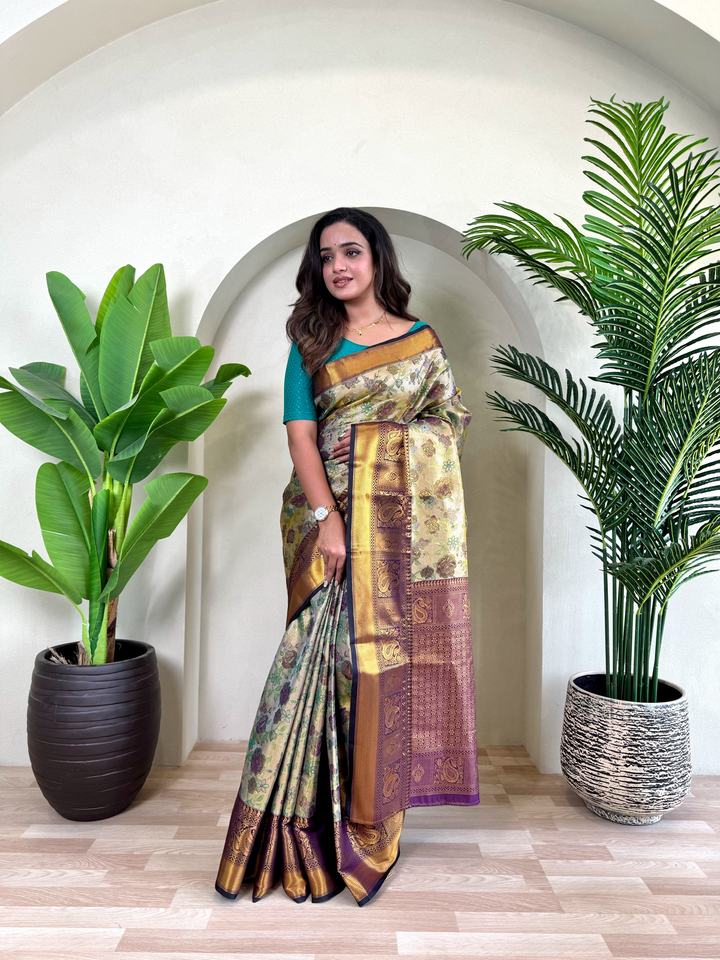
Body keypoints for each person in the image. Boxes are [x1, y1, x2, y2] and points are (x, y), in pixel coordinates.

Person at [215, 207, 479, 907]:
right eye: (326, 256)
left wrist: (390, 453)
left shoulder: (422, 341)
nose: (338, 266)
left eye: (351, 251)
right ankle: (294, 828)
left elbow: (448, 422)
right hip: (327, 521)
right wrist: (328, 518)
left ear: (377, 259)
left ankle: (369, 818)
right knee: (319, 662)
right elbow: (302, 437)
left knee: (381, 665)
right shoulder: (311, 341)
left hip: (400, 532)